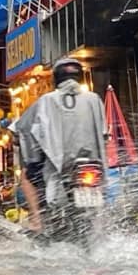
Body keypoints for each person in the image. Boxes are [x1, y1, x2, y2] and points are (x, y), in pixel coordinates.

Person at [18, 58, 108, 205]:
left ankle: (38, 221)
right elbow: (103, 133)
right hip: (92, 164)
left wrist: (32, 159)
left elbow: (25, 129)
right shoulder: (94, 99)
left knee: (35, 179)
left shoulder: (46, 100)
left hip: (60, 166)